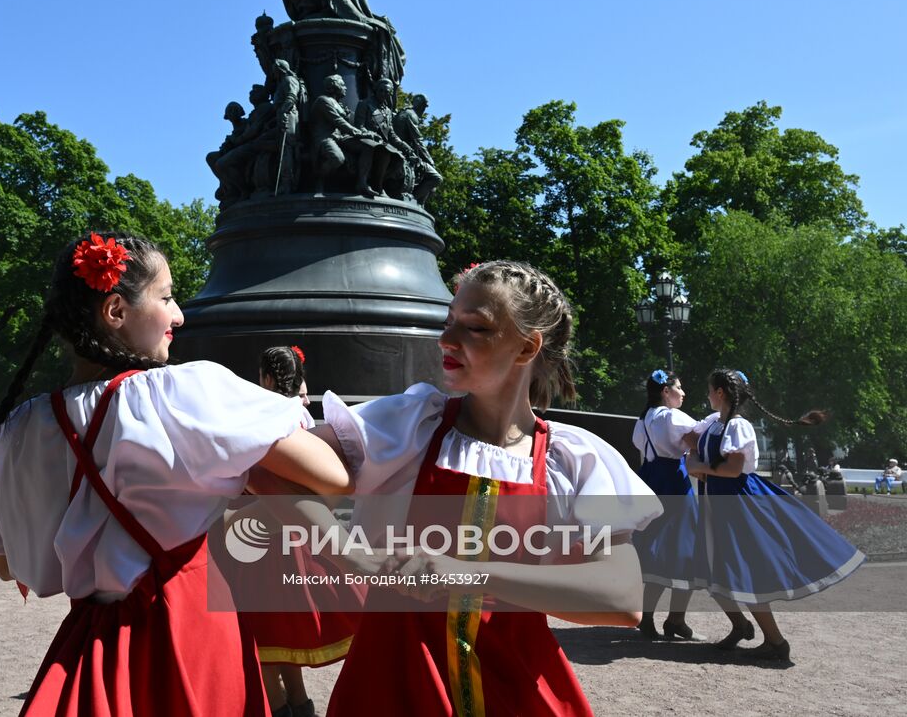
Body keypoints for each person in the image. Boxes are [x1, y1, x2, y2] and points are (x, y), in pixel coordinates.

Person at [0, 231, 352, 716]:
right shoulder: (183, 394)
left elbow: (5, 563)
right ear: (117, 311)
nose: (179, 314)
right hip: (194, 636)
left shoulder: (24, 428)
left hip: (92, 649)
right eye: (166, 297)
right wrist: (239, 467)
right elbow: (331, 475)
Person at [318, 260, 659, 716]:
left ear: (526, 347)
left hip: (516, 691)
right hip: (393, 686)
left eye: (475, 327)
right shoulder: (407, 428)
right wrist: (351, 553)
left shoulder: (574, 459)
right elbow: (270, 468)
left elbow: (620, 599)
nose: (446, 340)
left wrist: (466, 573)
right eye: (449, 322)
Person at [682, 368, 865, 663]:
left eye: (709, 389)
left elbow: (732, 469)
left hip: (737, 504)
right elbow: (694, 443)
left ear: (720, 393)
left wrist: (699, 467)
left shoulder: (738, 427)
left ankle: (776, 642)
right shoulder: (716, 423)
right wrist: (698, 462)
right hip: (716, 502)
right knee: (708, 569)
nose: (706, 395)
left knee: (746, 571)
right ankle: (741, 626)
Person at [243, 344, 360, 717]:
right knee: (284, 626)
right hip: (300, 536)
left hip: (259, 538)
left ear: (266, 378)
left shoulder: (260, 417)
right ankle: (300, 704)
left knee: (259, 632)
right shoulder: (306, 420)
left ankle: (280, 708)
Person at [630, 369, 702, 641]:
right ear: (665, 391)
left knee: (655, 548)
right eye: (678, 388)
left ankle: (648, 617)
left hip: (650, 478)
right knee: (686, 548)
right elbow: (698, 437)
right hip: (673, 480)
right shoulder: (671, 417)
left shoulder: (644, 419)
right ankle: (675, 619)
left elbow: (641, 446)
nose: (683, 393)